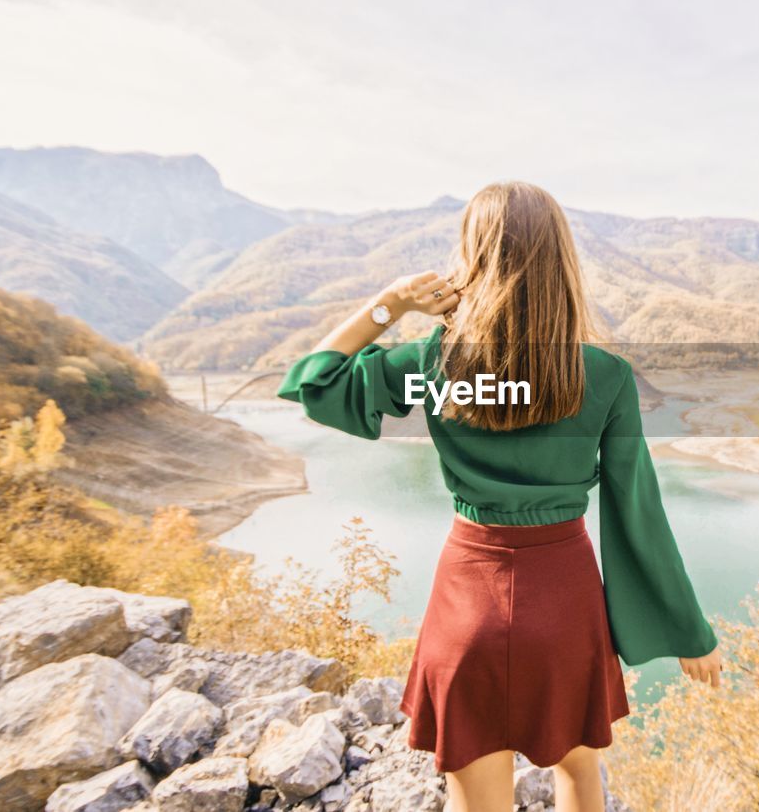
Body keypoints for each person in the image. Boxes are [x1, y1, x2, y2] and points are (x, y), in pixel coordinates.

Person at [277, 181, 722, 812]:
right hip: (565, 605)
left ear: (473, 258)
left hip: (466, 605)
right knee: (578, 776)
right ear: (561, 264)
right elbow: (638, 513)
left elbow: (313, 383)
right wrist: (689, 632)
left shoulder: (435, 362)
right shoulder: (607, 376)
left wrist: (391, 303)